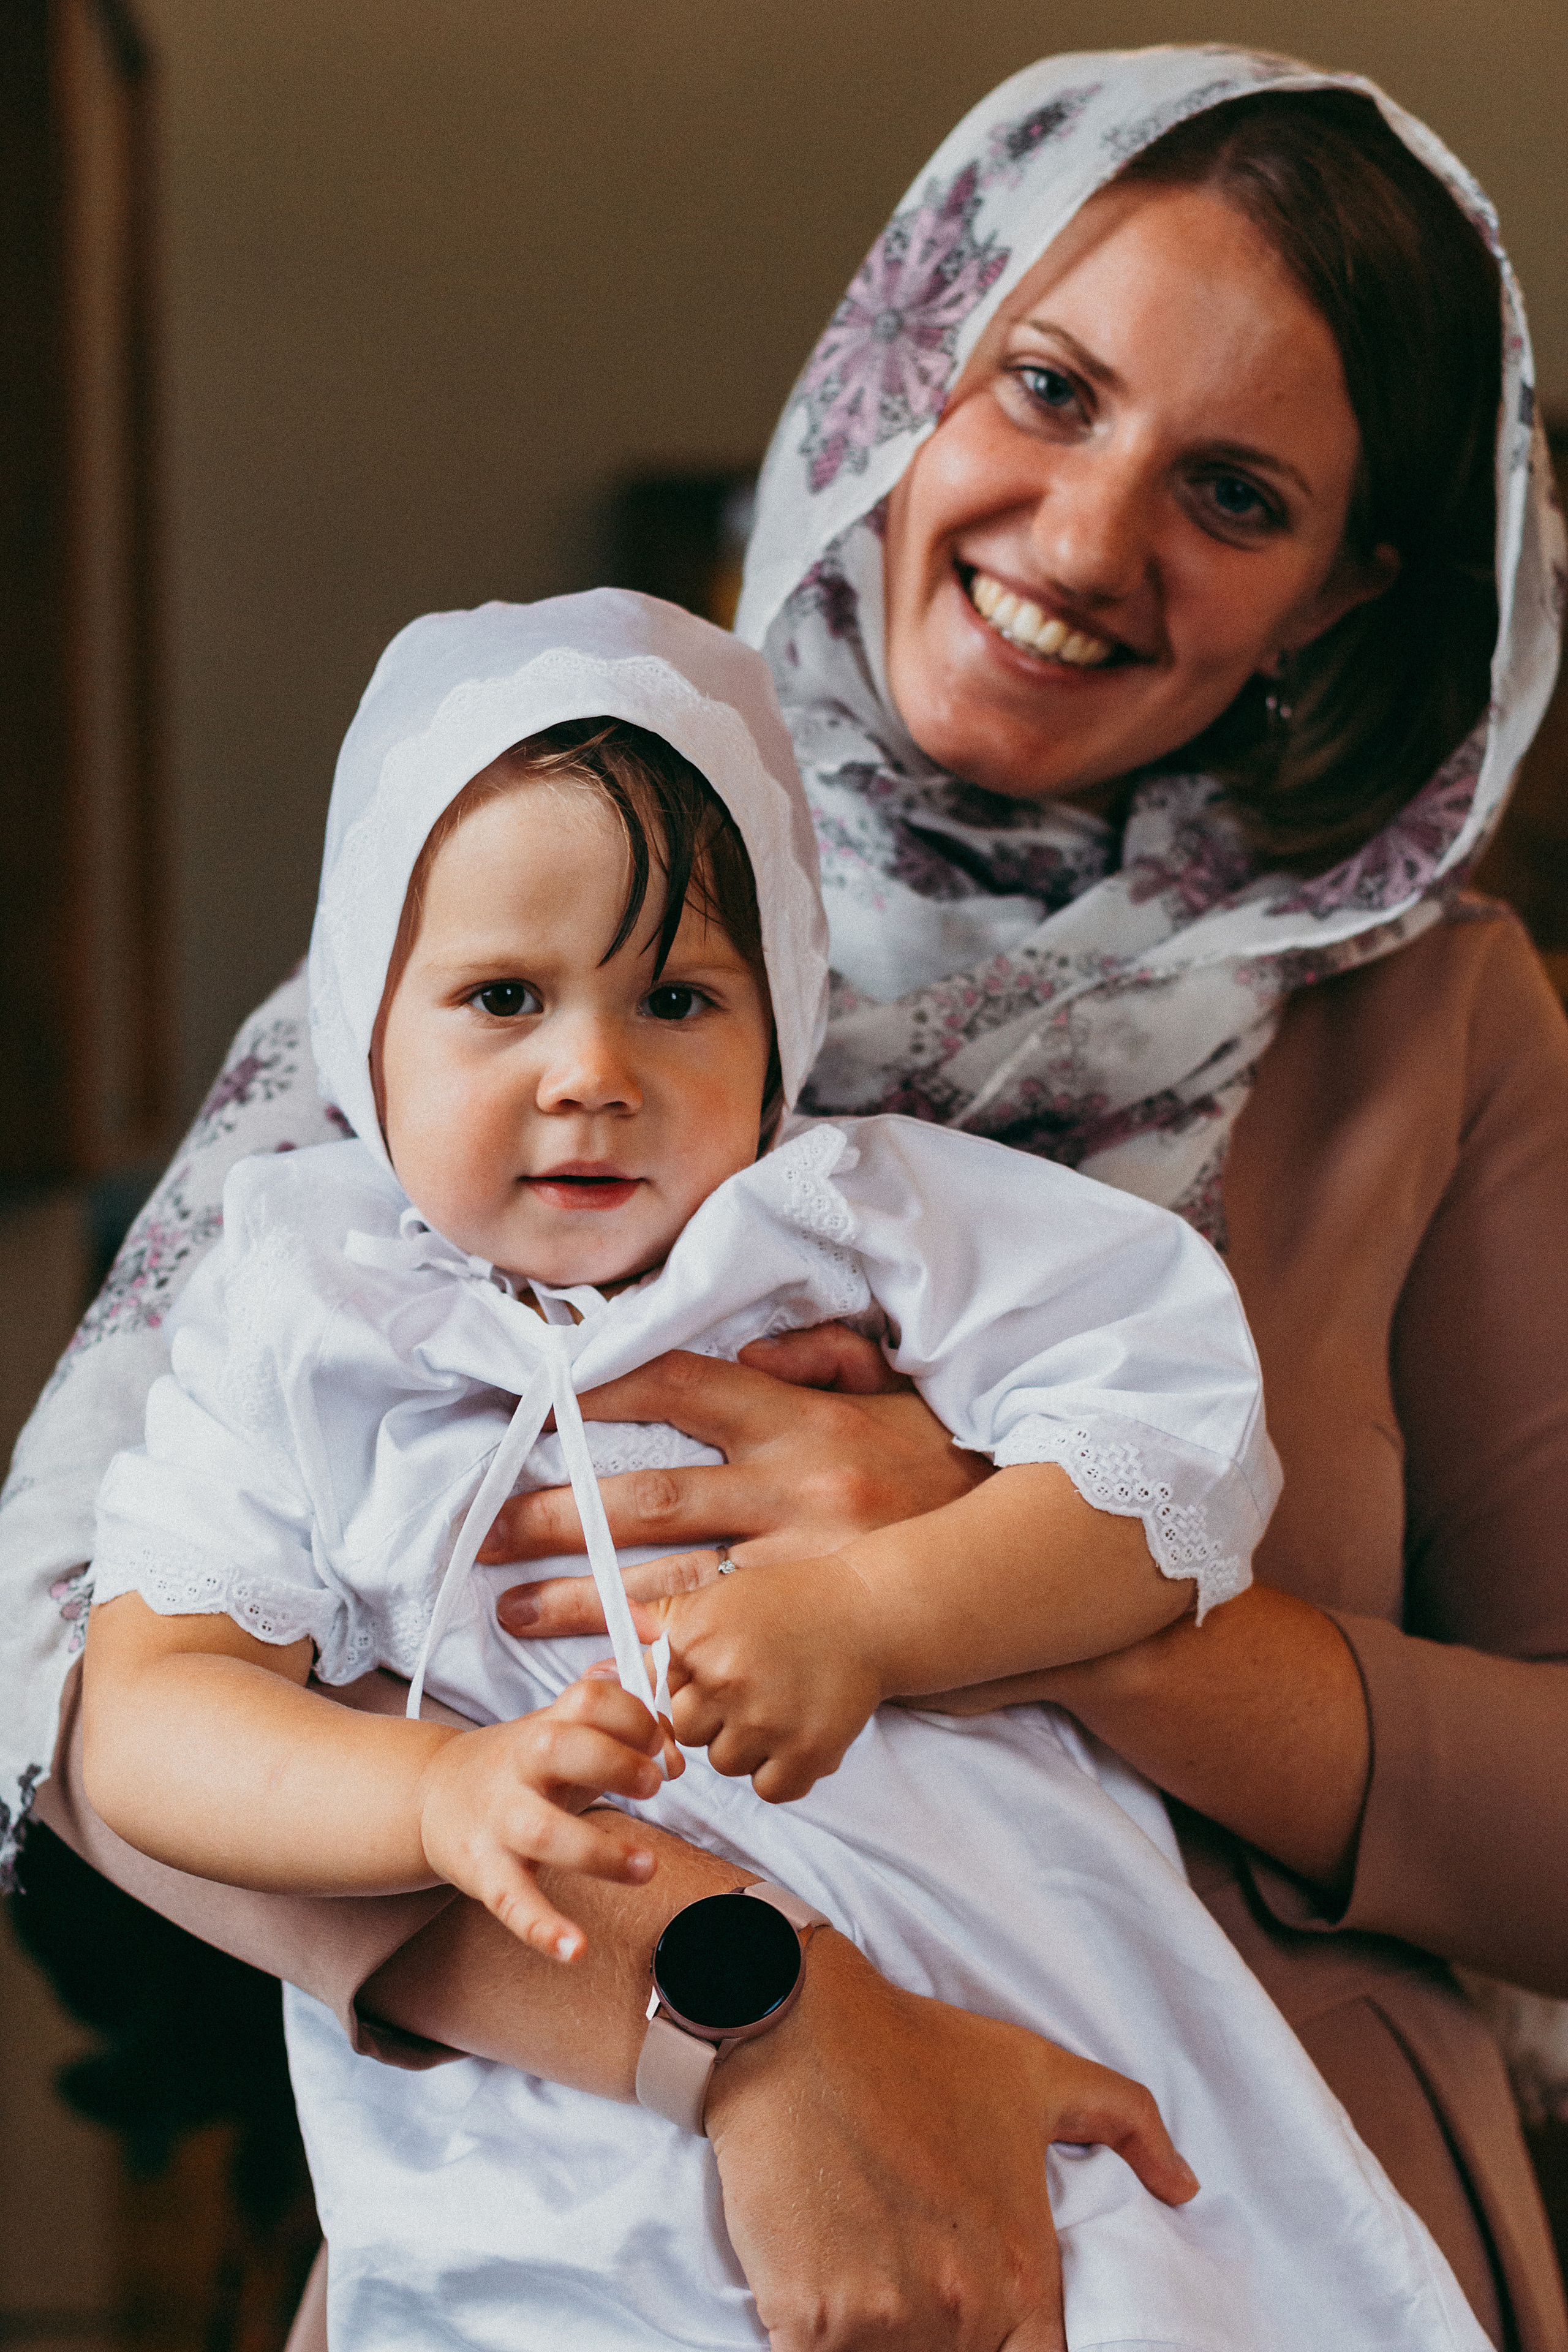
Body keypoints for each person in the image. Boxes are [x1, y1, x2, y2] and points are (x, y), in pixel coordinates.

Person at [2, 43, 1564, 2352]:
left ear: (1341, 594)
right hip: (573, 2201)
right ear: (911, 354)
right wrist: (744, 2023)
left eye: (1235, 494)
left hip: (1233, 2195)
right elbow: (87, 1690)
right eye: (1047, 388)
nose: (1085, 538)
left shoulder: (1432, 1022)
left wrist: (994, 1577)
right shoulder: (493, 894)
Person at [79, 590, 1488, 2350]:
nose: (592, 1074)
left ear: (781, 1022)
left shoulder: (853, 1220)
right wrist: (429, 1799)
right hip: (546, 2125)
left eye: (677, 998)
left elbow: (1171, 1455)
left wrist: (881, 1614)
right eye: (503, 997)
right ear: (368, 1022)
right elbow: (149, 1713)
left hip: (1007, 1988)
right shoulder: (300, 1315)